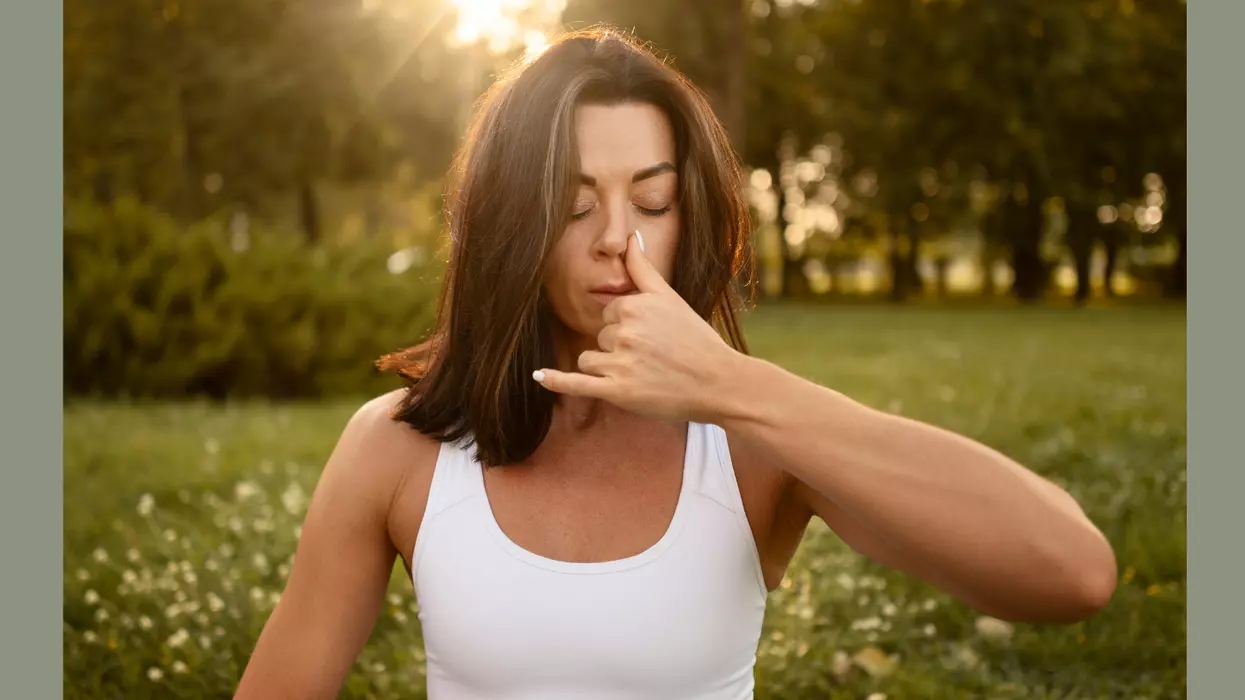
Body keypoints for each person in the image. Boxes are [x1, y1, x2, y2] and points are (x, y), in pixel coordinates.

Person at [234, 27, 1117, 700]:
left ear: (687, 214)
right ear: (511, 227)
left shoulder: (751, 445)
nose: (619, 239)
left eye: (650, 199)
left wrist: (732, 386)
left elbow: (1070, 573)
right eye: (574, 207)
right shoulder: (399, 449)